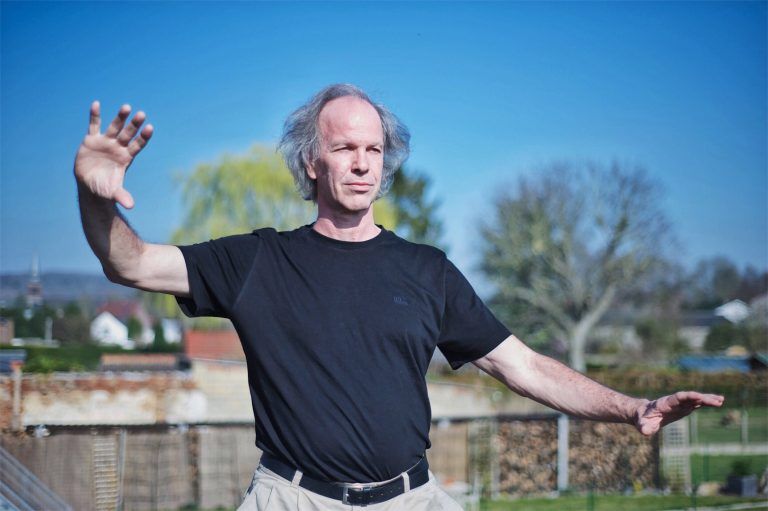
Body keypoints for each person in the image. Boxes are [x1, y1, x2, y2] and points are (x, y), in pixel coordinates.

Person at [74, 84, 724, 510]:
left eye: (374, 149)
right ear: (312, 161)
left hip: (411, 498)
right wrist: (95, 196)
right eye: (344, 148)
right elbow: (130, 263)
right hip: (293, 498)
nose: (362, 162)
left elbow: (522, 365)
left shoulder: (426, 270)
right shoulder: (257, 261)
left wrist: (630, 406)